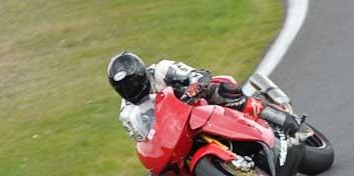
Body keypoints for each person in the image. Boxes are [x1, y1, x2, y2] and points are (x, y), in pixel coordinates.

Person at [106, 51, 301, 141]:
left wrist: (193, 88)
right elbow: (143, 139)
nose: (130, 90)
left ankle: (279, 117)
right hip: (175, 131)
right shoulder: (126, 113)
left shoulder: (161, 70)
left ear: (141, 74)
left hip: (197, 103)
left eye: (132, 83)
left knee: (225, 89)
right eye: (123, 88)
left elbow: (197, 74)